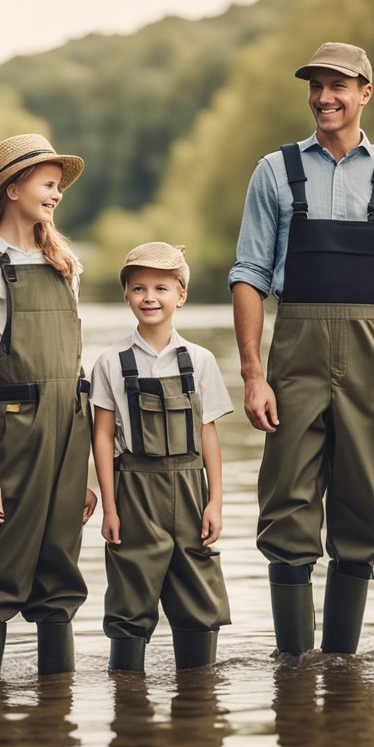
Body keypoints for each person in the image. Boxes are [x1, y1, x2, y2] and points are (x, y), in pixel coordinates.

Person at [229, 42, 374, 656]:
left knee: (365, 509)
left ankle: (342, 664)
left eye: (337, 86)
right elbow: (249, 276)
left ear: (365, 93)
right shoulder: (274, 171)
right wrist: (252, 375)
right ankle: (293, 666)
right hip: (293, 351)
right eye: (316, 86)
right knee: (286, 506)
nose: (324, 97)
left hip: (372, 353)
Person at [0, 134, 97, 679]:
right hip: (12, 437)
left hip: (70, 434)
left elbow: (74, 370)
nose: (56, 195)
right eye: (47, 184)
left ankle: (55, 709)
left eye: (59, 186)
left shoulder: (66, 264)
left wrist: (83, 473)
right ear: (12, 189)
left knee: (60, 576)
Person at [91, 242, 234, 671]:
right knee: (129, 598)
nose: (149, 297)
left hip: (190, 490)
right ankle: (126, 691)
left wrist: (215, 501)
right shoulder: (110, 362)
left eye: (161, 288)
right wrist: (110, 507)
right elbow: (102, 438)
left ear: (181, 295)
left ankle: (198, 693)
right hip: (133, 491)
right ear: (126, 295)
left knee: (199, 595)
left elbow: (208, 434)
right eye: (138, 288)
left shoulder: (201, 360)